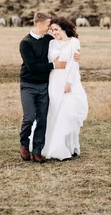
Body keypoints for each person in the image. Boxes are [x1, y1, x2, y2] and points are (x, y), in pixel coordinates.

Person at [19, 11, 80, 163]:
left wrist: (76, 55)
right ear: (39, 24)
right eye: (48, 26)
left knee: (42, 118)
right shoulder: (25, 43)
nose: (50, 29)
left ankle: (38, 150)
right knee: (29, 117)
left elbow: (65, 40)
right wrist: (53, 65)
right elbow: (32, 67)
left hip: (45, 85)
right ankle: (24, 144)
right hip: (28, 85)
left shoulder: (48, 39)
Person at [42, 16, 88, 160]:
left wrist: (69, 82)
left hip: (69, 81)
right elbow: (50, 61)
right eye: (52, 30)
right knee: (55, 112)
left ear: (63, 28)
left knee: (69, 114)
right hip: (54, 81)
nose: (54, 32)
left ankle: (71, 146)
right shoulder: (51, 43)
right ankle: (55, 146)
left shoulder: (74, 42)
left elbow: (74, 64)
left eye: (56, 29)